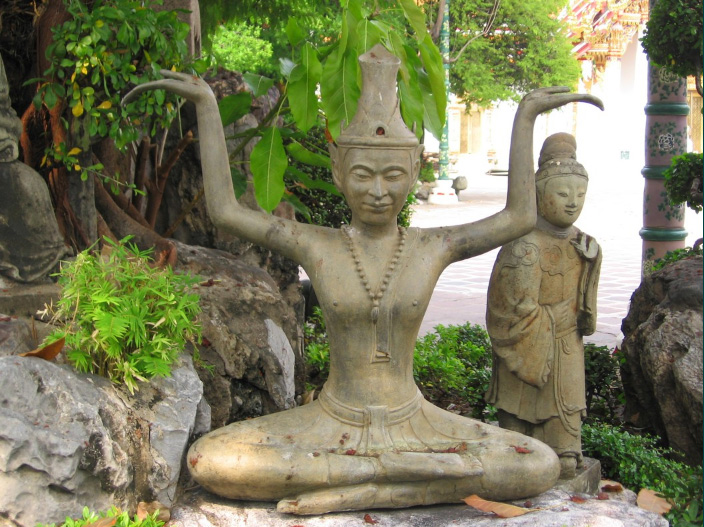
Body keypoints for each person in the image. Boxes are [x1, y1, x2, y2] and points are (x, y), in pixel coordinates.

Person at [124, 44, 602, 514]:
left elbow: (518, 216)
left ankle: (371, 487)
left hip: (419, 425)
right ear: (338, 172)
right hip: (330, 422)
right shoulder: (318, 244)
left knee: (538, 464)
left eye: (392, 175)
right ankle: (410, 479)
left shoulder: (433, 246)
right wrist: (207, 106)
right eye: (362, 175)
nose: (378, 191)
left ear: (413, 171)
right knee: (211, 460)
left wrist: (525, 117)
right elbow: (226, 211)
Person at [486, 133, 602, 479]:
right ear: (539, 194)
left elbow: (585, 318)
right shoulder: (524, 245)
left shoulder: (584, 244)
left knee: (565, 461)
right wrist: (550, 318)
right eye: (562, 194)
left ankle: (562, 447)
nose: (573, 203)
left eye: (580, 195)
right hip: (529, 349)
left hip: (567, 350)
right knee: (518, 446)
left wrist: (592, 265)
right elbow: (510, 312)